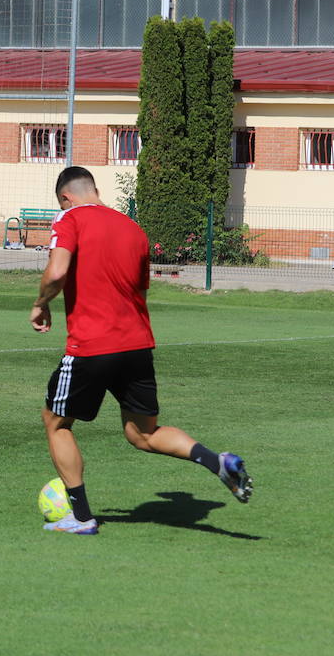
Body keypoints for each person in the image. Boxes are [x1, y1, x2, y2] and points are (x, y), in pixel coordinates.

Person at [29, 166, 252, 535]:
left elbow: (56, 272)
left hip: (91, 344)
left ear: (65, 198)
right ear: (96, 189)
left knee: (56, 422)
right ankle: (217, 461)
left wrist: (40, 303)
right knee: (142, 434)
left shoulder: (70, 217)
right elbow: (140, 294)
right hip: (137, 344)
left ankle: (81, 518)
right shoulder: (133, 229)